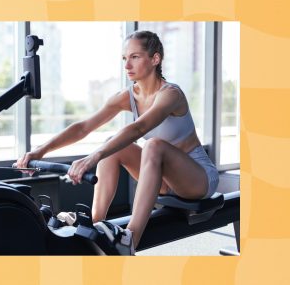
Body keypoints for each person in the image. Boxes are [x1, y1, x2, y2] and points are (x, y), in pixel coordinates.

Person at [15, 30, 219, 255]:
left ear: (155, 59)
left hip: (197, 178)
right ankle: (94, 220)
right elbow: (84, 127)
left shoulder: (171, 94)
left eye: (135, 57)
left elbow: (139, 128)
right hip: (164, 181)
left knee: (153, 145)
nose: (127, 65)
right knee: (113, 144)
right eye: (124, 58)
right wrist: (40, 151)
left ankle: (130, 239)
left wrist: (94, 157)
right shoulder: (128, 96)